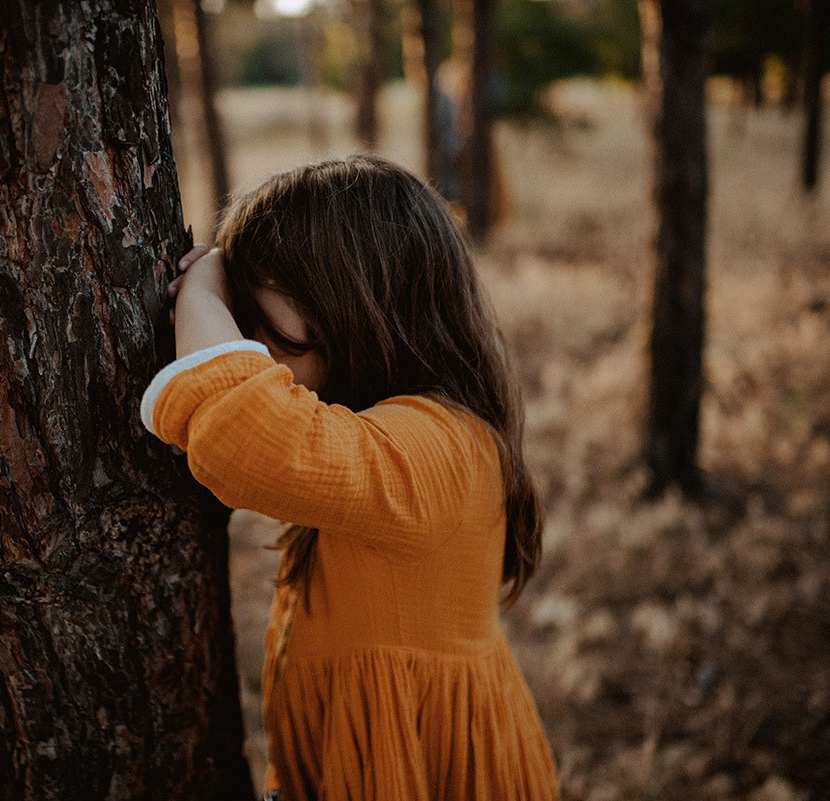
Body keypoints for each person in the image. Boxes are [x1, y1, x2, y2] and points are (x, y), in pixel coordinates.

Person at [140, 155, 559, 801]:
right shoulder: (388, 431)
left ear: (358, 315)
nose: (250, 344)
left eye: (267, 327)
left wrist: (202, 293)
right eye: (239, 317)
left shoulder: (443, 446)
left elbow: (246, 437)